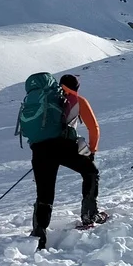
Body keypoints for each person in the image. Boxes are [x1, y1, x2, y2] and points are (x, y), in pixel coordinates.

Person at [29, 74, 106, 249]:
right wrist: (92, 151)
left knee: (45, 191)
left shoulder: (46, 99)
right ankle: (89, 215)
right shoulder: (78, 100)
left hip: (39, 149)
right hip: (64, 146)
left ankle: (39, 233)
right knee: (91, 172)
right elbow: (94, 128)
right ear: (76, 86)